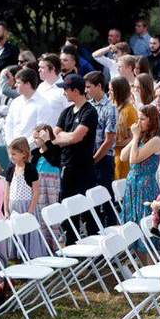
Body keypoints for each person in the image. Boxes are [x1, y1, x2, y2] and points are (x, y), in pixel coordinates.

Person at [41, 74, 100, 243]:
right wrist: (61, 137)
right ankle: (72, 243)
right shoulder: (66, 112)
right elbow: (54, 136)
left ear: (75, 90)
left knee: (88, 209)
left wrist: (61, 137)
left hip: (84, 168)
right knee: (67, 208)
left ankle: (94, 245)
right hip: (67, 167)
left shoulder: (89, 111)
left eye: (65, 90)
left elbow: (76, 137)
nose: (63, 93)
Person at [119, 105, 160, 253]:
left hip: (145, 188)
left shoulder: (156, 140)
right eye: (138, 118)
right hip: (133, 187)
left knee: (146, 238)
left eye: (142, 119)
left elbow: (134, 159)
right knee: (134, 232)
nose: (138, 122)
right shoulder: (142, 137)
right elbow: (123, 156)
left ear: (152, 121)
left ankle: (152, 269)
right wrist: (135, 138)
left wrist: (136, 137)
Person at [3, 137, 45, 259]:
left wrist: (30, 211)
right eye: (11, 154)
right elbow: (7, 190)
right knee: (15, 231)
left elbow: (36, 191)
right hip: (13, 206)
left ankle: (30, 255)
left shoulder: (31, 169)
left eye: (14, 154)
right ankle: (16, 255)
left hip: (26, 206)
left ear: (24, 153)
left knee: (28, 232)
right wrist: (6, 209)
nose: (12, 157)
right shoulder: (11, 168)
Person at [85, 71, 118, 226]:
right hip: (90, 158)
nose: (87, 90)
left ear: (99, 86)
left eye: (89, 87)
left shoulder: (110, 108)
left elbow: (109, 140)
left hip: (104, 159)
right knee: (92, 200)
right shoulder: (89, 106)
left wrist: (94, 160)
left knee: (106, 198)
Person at [31, 124, 62, 247]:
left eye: (37, 138)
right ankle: (42, 245)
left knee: (52, 214)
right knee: (40, 215)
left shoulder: (55, 148)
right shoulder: (35, 152)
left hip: (51, 186)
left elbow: (55, 161)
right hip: (39, 187)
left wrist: (47, 142)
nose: (35, 141)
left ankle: (54, 243)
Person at [3, 68, 51, 147]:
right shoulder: (15, 102)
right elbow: (9, 125)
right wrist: (11, 145)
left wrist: (24, 147)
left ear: (28, 84)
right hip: (14, 150)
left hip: (32, 151)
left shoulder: (43, 104)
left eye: (18, 82)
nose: (15, 85)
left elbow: (41, 131)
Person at [110, 76, 138, 180]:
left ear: (119, 91)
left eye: (112, 90)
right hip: (112, 156)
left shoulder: (129, 111)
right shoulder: (113, 107)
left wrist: (111, 142)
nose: (109, 93)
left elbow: (134, 137)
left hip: (122, 158)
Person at [36, 54, 70, 125]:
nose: (39, 70)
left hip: (55, 134)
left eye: (42, 67)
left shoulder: (64, 89)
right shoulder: (40, 87)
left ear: (53, 68)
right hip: (37, 133)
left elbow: (70, 116)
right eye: (39, 67)